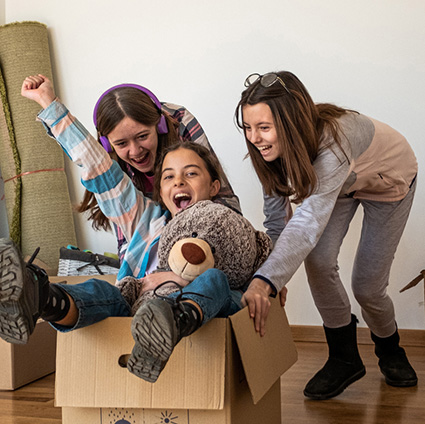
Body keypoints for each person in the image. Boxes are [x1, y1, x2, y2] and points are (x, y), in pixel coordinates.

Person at [0, 76, 244, 383]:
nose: (179, 182)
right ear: (158, 189)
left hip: (199, 310)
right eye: (168, 176)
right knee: (103, 291)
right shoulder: (143, 215)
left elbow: (247, 250)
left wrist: (267, 279)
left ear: (214, 186)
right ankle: (39, 297)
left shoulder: (223, 224)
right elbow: (95, 166)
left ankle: (173, 321)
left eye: (191, 174)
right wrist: (49, 104)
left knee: (218, 281)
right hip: (139, 303)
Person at [235, 71, 418, 400]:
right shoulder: (272, 153)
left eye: (264, 128)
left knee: (367, 286)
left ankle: (391, 351)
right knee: (318, 260)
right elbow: (278, 219)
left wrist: (265, 281)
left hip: (389, 183)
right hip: (343, 186)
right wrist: (276, 276)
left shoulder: (336, 140)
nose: (255, 138)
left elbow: (307, 222)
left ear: (291, 123)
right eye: (248, 128)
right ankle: (344, 358)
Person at [77, 80, 241, 262]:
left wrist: (231, 244)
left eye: (142, 136)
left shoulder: (181, 122)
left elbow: (223, 198)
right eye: (122, 144)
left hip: (202, 236)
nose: (135, 151)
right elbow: (128, 232)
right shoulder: (110, 158)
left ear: (159, 126)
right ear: (108, 144)